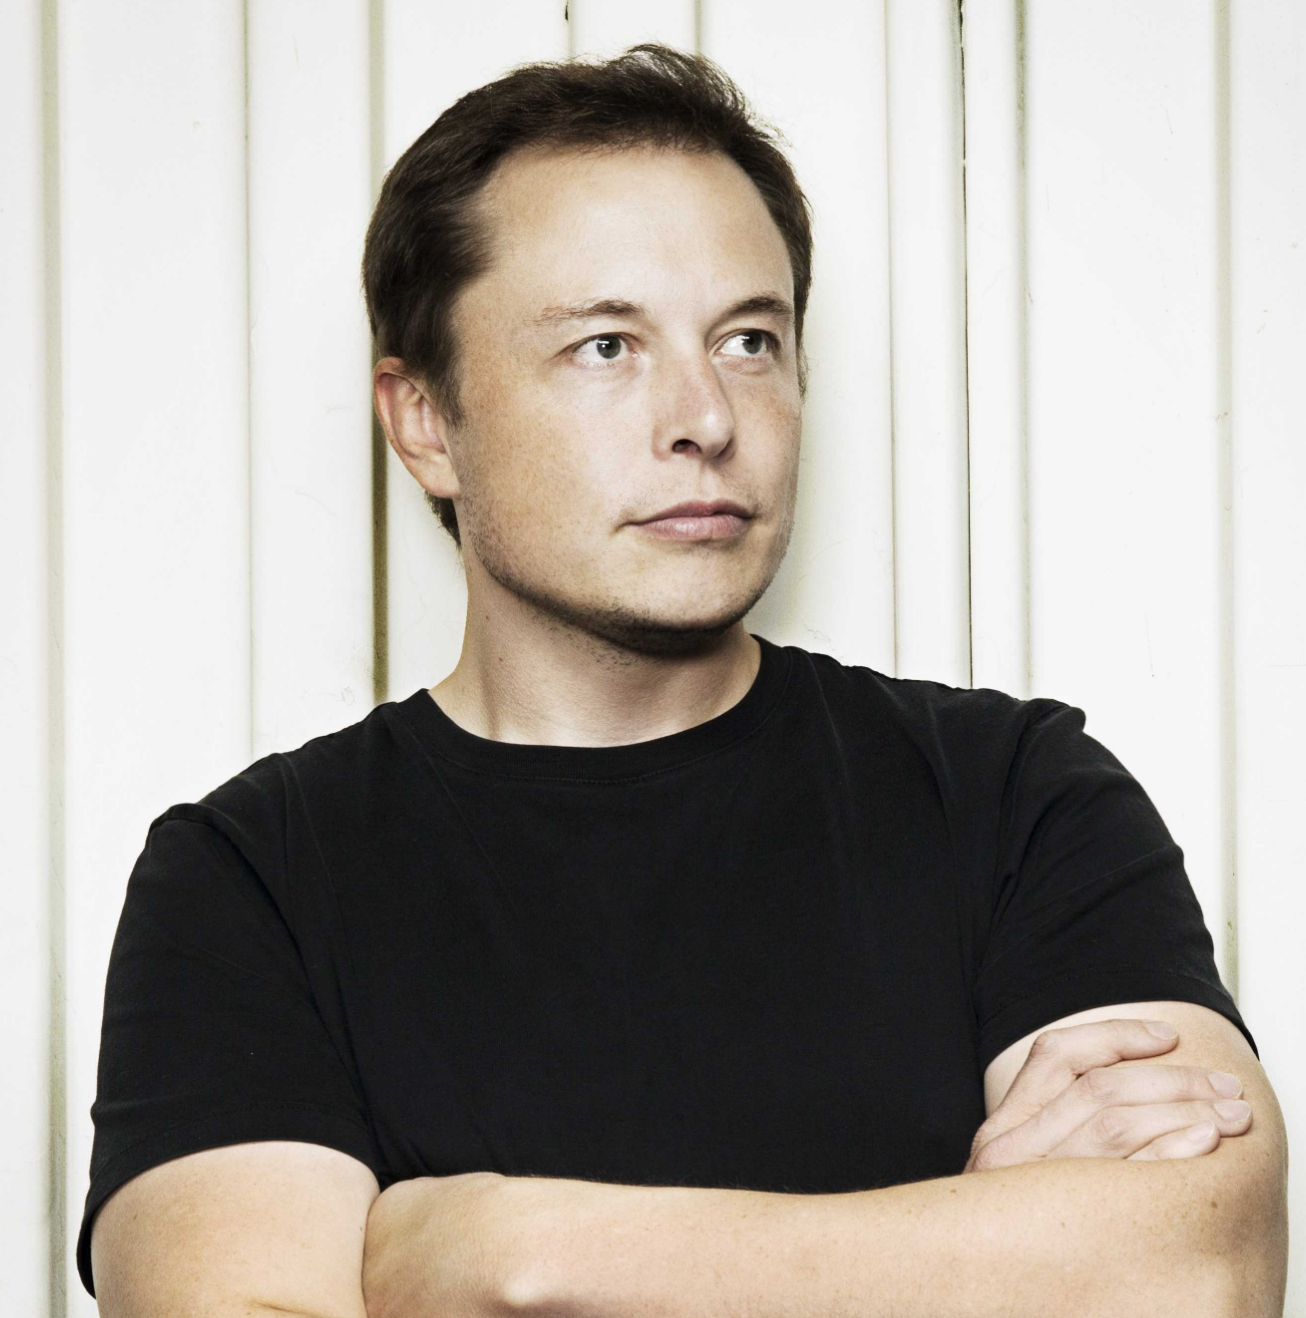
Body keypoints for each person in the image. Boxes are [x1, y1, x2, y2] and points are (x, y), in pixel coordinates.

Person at [81, 42, 1286, 1318]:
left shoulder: (1014, 796)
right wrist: (978, 1258)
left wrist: (511, 1254)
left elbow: (1193, 1274)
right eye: (606, 346)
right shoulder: (251, 880)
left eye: (749, 340)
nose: (706, 417)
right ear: (425, 420)